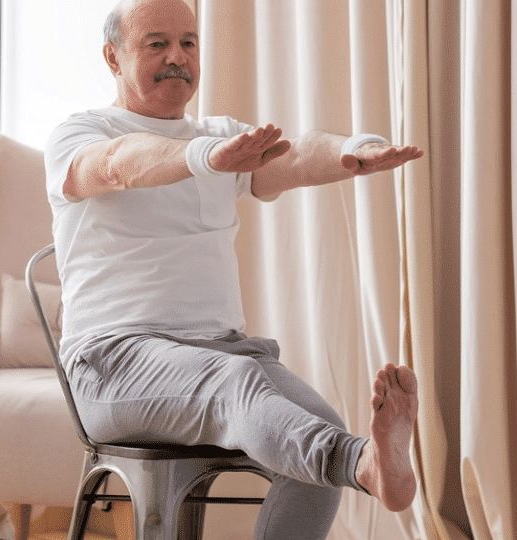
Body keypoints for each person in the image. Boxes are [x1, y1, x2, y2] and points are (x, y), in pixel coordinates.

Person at [43, 0, 424, 538]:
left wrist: (352, 149)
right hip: (113, 362)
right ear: (113, 56)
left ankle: (353, 458)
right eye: (157, 44)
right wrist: (205, 157)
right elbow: (118, 164)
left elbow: (292, 154)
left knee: (312, 433)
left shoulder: (220, 134)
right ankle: (363, 464)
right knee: (242, 389)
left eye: (189, 43)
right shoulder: (80, 133)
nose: (177, 57)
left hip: (220, 349)